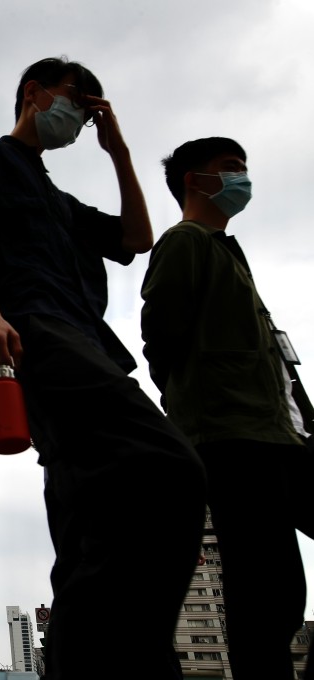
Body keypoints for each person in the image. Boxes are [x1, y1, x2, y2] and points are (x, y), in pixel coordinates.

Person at [0, 57, 206, 679]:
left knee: (91, 528)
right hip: (35, 336)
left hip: (87, 342)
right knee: (171, 466)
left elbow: (137, 238)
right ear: (34, 94)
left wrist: (119, 152)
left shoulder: (61, 200)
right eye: (77, 101)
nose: (82, 116)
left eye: (90, 110)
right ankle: (142, 658)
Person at [141, 137, 312, 679]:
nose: (243, 179)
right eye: (231, 169)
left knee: (279, 588)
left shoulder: (227, 251)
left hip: (283, 436)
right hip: (234, 439)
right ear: (194, 180)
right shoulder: (186, 241)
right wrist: (202, 408)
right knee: (270, 590)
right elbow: (160, 342)